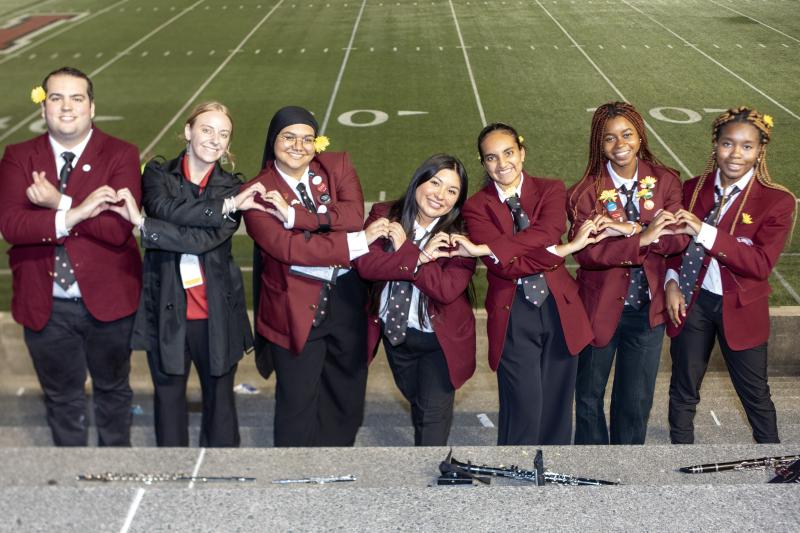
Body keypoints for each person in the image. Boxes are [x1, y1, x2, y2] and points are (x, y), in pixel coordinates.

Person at [0, 66, 141, 446]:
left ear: (92, 107)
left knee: (114, 391)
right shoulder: (18, 156)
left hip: (109, 301)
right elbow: (13, 226)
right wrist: (79, 211)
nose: (66, 107)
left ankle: (116, 473)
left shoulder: (120, 153)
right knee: (62, 398)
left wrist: (57, 204)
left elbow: (116, 229)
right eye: (56, 98)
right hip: (45, 304)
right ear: (43, 108)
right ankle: (73, 478)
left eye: (76, 98)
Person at [118, 102, 265, 447]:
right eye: (207, 129)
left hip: (215, 311)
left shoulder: (233, 188)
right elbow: (165, 208)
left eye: (223, 134)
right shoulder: (156, 175)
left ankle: (222, 480)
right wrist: (221, 209)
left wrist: (144, 226)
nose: (215, 140)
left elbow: (203, 240)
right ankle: (174, 479)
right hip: (166, 308)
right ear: (188, 131)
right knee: (168, 399)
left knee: (221, 402)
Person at [244, 106, 383, 447]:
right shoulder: (256, 191)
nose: (298, 146)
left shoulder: (337, 165)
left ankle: (335, 466)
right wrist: (356, 243)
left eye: (308, 139)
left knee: (346, 394)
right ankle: (294, 479)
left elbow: (352, 216)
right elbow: (288, 249)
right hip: (294, 307)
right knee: (297, 401)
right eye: (288, 137)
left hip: (346, 303)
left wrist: (296, 216)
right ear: (272, 141)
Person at [459, 122, 596, 446]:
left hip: (559, 307)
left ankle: (552, 472)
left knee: (557, 403)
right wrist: (561, 252)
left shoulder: (551, 188)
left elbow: (548, 231)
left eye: (508, 153)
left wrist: (498, 247)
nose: (502, 163)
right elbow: (502, 267)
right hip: (513, 310)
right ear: (483, 163)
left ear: (522, 153)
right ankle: (515, 471)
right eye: (491, 158)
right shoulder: (476, 206)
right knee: (523, 402)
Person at [666, 107, 795, 444]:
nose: (736, 154)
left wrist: (704, 231)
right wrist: (671, 282)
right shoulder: (694, 188)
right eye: (728, 143)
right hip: (694, 303)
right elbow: (674, 246)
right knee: (683, 388)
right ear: (715, 145)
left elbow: (759, 264)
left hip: (741, 307)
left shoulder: (777, 201)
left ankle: (774, 457)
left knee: (755, 394)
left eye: (747, 146)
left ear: (759, 151)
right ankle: (680, 455)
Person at [566, 101, 688, 445]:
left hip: (647, 311)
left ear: (640, 135)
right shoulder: (583, 193)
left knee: (635, 401)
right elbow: (589, 253)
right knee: (588, 397)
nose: (620, 144)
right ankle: (593, 465)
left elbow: (679, 238)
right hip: (598, 307)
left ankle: (628, 466)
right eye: (609, 138)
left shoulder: (665, 180)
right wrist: (646, 235)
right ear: (598, 144)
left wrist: (629, 229)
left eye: (627, 134)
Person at [354, 154, 476, 446]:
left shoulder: (461, 233)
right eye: (435, 182)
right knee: (419, 407)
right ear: (419, 180)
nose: (440, 195)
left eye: (451, 190)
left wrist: (404, 252)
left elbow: (446, 289)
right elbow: (365, 266)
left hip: (439, 343)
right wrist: (420, 257)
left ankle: (430, 484)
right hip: (396, 339)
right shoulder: (385, 213)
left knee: (432, 423)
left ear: (458, 200)